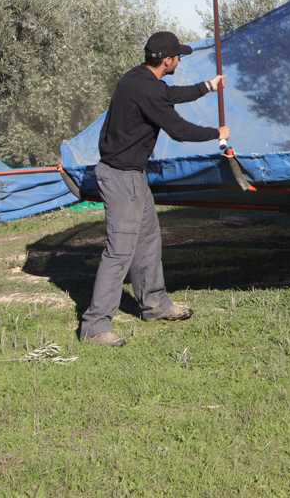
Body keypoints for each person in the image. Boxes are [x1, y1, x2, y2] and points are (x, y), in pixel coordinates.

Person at [79, 31, 228, 346]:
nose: (179, 60)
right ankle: (95, 326)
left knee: (147, 240)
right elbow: (178, 130)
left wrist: (207, 87)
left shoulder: (137, 78)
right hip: (121, 177)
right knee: (120, 250)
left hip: (130, 174)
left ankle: (154, 305)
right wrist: (216, 132)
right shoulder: (147, 89)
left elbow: (167, 96)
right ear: (167, 60)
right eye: (178, 57)